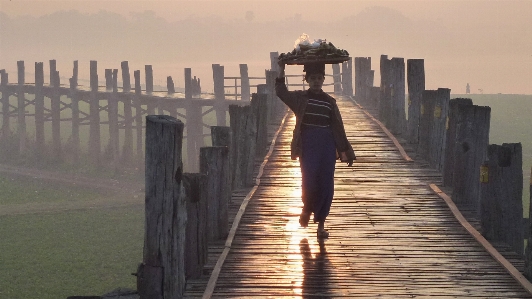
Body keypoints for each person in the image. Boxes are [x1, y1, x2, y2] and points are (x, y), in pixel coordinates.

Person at [275, 61, 356, 239]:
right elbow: (281, 92)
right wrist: (281, 69)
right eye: (313, 78)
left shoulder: (330, 102)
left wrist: (346, 151)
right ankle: (306, 209)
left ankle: (321, 226)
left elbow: (338, 128)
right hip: (308, 145)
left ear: (323, 79)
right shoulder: (300, 99)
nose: (316, 81)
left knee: (326, 185)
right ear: (307, 80)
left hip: (327, 145)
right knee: (309, 180)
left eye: (319, 78)